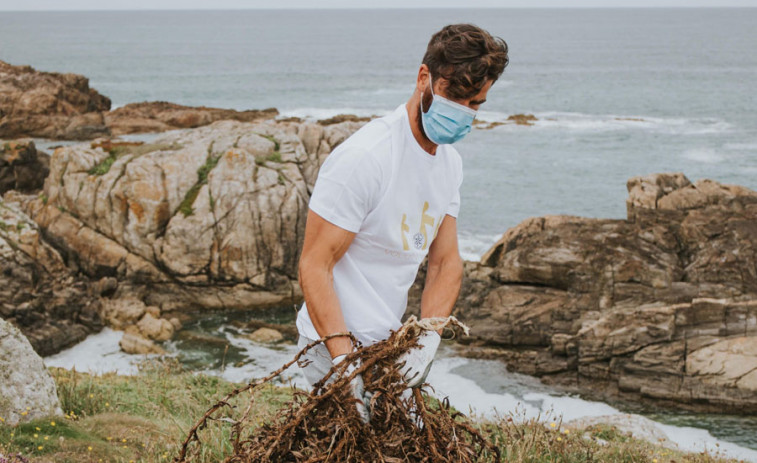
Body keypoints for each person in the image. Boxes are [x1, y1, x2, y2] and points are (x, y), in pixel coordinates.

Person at [295, 23, 509, 422]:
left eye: (476, 104)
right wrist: (344, 366)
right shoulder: (366, 157)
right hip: (330, 346)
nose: (464, 112)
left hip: (388, 345)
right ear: (423, 77)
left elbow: (445, 261)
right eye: (456, 96)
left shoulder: (449, 163)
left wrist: (427, 336)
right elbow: (314, 263)